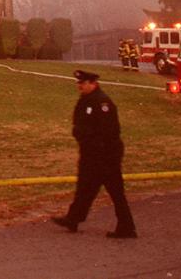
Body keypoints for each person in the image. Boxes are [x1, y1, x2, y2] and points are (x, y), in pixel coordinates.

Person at [51, 69, 137, 239]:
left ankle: (126, 227)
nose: (79, 86)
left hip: (105, 156)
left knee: (115, 192)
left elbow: (109, 131)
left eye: (82, 83)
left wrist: (97, 149)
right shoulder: (87, 100)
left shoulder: (102, 102)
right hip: (91, 154)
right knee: (84, 188)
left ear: (93, 83)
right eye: (79, 83)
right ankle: (73, 218)